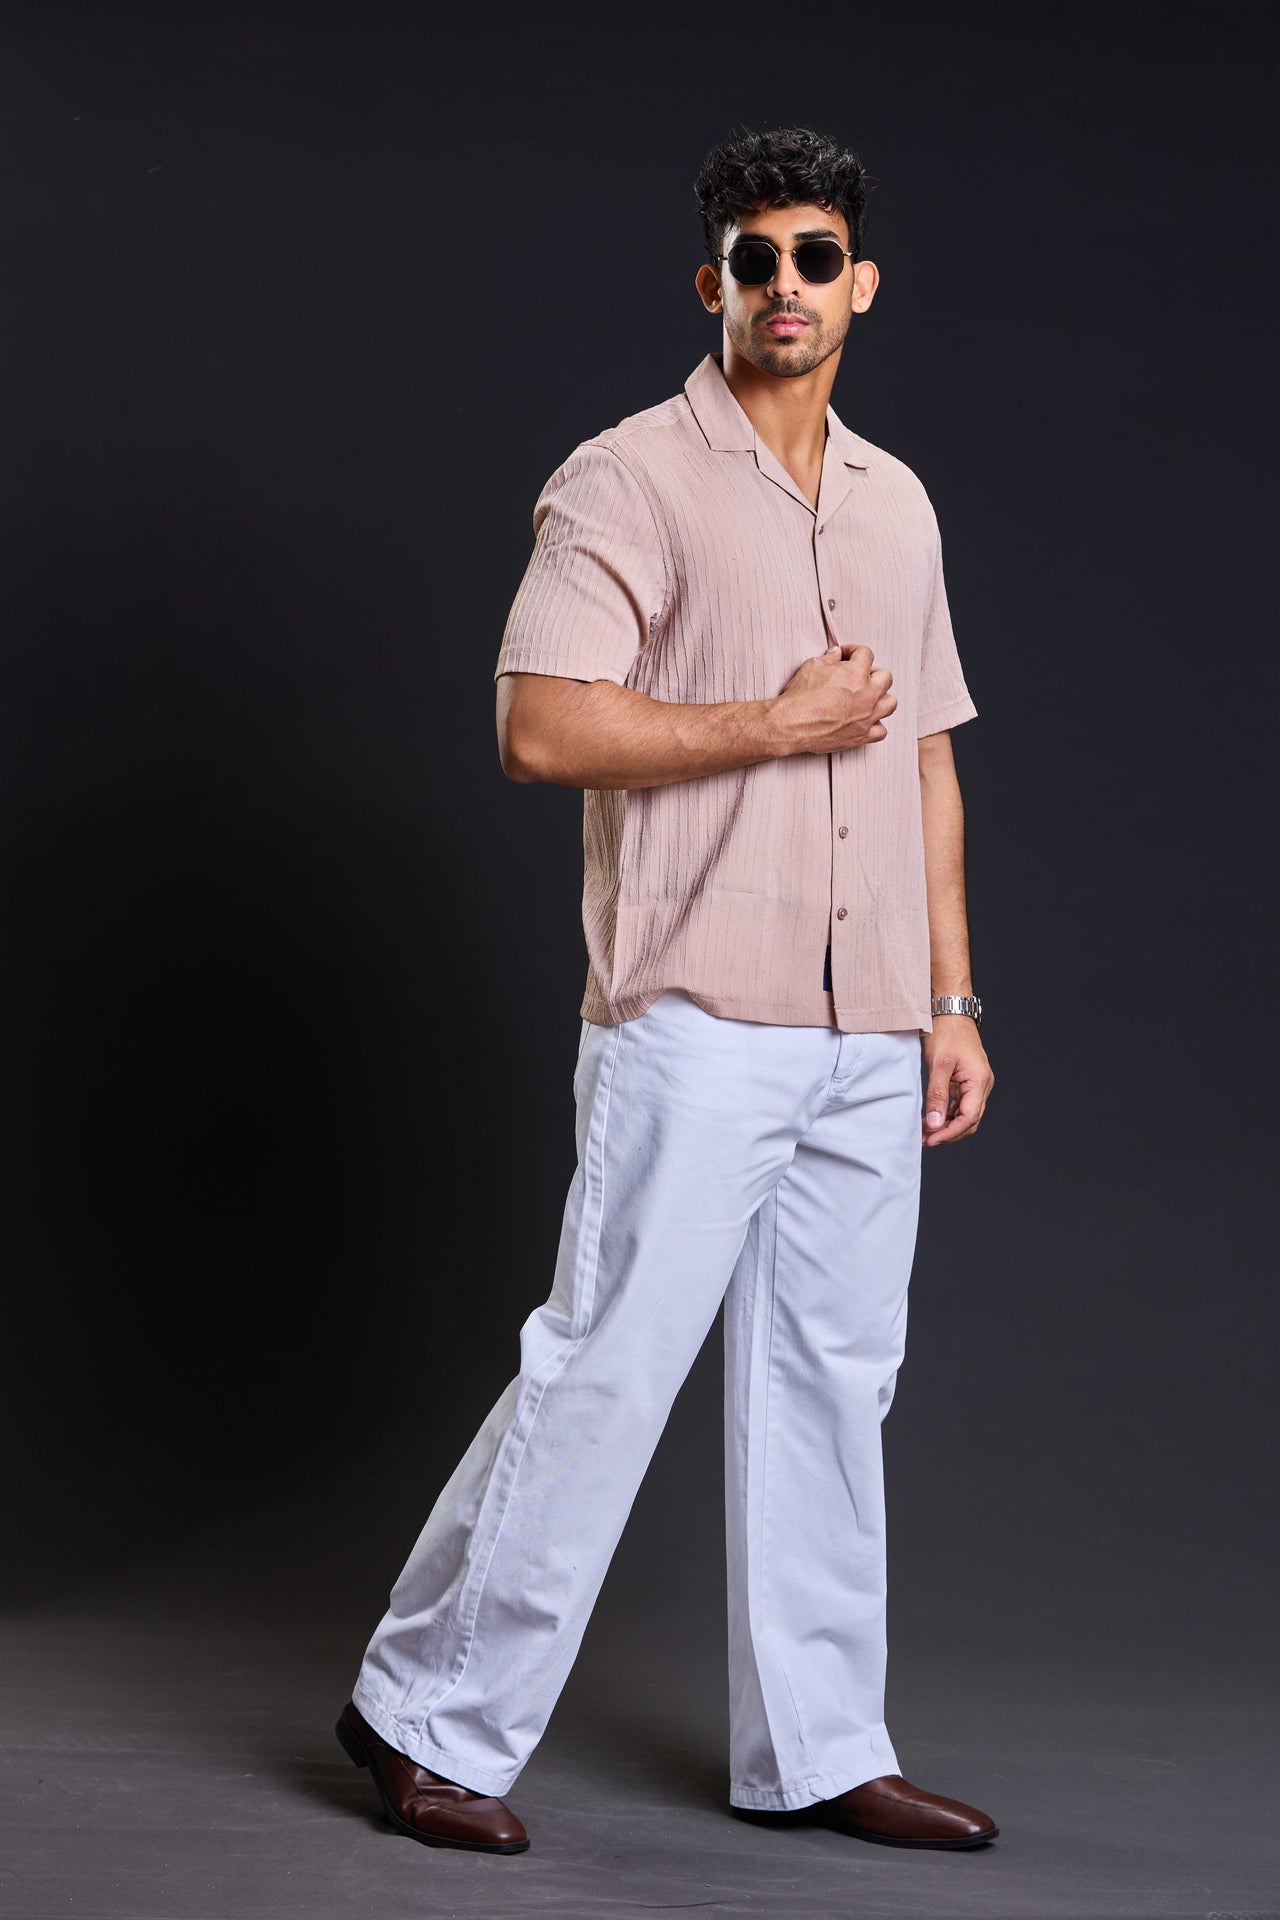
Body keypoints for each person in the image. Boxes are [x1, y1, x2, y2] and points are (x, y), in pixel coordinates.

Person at [336, 123, 998, 1857]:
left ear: (862, 283)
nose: (787, 285)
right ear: (712, 282)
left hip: (871, 1025)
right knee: (609, 1367)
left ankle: (818, 1748)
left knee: (834, 1382)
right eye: (755, 259)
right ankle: (422, 1716)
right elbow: (539, 725)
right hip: (696, 1010)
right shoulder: (626, 477)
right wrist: (771, 723)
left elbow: (926, 755)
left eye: (815, 257)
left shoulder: (898, 501)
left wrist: (952, 1000)